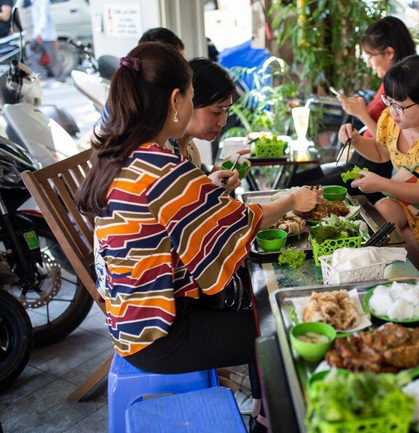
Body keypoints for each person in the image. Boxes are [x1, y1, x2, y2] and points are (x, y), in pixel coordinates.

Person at [77, 42, 319, 430]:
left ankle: (261, 411)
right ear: (176, 100)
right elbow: (240, 223)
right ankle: (277, 421)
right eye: (193, 96)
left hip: (129, 319)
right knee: (285, 330)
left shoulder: (121, 153)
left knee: (257, 300)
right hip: (158, 334)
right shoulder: (162, 168)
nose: (192, 105)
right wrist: (291, 199)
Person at [338, 55, 419, 259]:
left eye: (399, 106)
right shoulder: (392, 119)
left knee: (395, 245)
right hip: (408, 205)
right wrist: (355, 140)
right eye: (388, 101)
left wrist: (382, 184)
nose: (392, 111)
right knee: (383, 211)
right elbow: (382, 152)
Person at [289, 16, 416, 202]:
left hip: (372, 168)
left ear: (389, 53)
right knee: (297, 181)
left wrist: (361, 113)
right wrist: (355, 132)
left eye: (370, 56)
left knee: (299, 189)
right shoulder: (387, 85)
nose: (367, 63)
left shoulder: (400, 92)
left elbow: (388, 147)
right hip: (360, 160)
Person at [27, 0, 66, 83]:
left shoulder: (42, 1)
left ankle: (61, 80)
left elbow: (43, 17)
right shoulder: (34, 2)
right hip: (39, 34)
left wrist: (38, 33)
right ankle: (41, 78)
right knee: (32, 55)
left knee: (53, 57)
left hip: (46, 35)